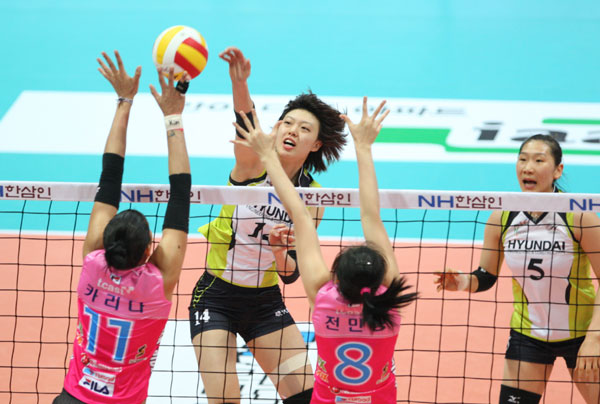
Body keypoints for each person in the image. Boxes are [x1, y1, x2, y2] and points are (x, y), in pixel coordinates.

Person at [232, 96, 418, 404]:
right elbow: (371, 216)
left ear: (337, 278)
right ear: (381, 280)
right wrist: (363, 147)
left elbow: (300, 215)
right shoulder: (389, 305)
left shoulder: (324, 298)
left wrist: (267, 156)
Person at [188, 47, 347, 404]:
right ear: (275, 129)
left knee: (307, 397)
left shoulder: (314, 197)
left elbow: (292, 273)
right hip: (215, 297)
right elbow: (245, 123)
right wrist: (239, 83)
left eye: (304, 129)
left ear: (316, 144)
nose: (292, 131)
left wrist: (279, 253)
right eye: (287, 123)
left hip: (264, 303)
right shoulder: (252, 167)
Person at [53, 51, 192, 403]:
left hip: (72, 396)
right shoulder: (157, 283)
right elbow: (180, 193)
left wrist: (124, 100)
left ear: (105, 241)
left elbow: (110, 176)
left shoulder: (92, 262)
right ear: (148, 252)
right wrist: (172, 116)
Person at [435, 134, 600, 404]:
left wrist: (595, 339)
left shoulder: (580, 216)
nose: (528, 168)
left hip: (583, 335)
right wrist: (462, 281)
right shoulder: (502, 217)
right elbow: (486, 276)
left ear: (557, 170)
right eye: (522, 160)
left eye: (538, 160)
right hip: (529, 336)